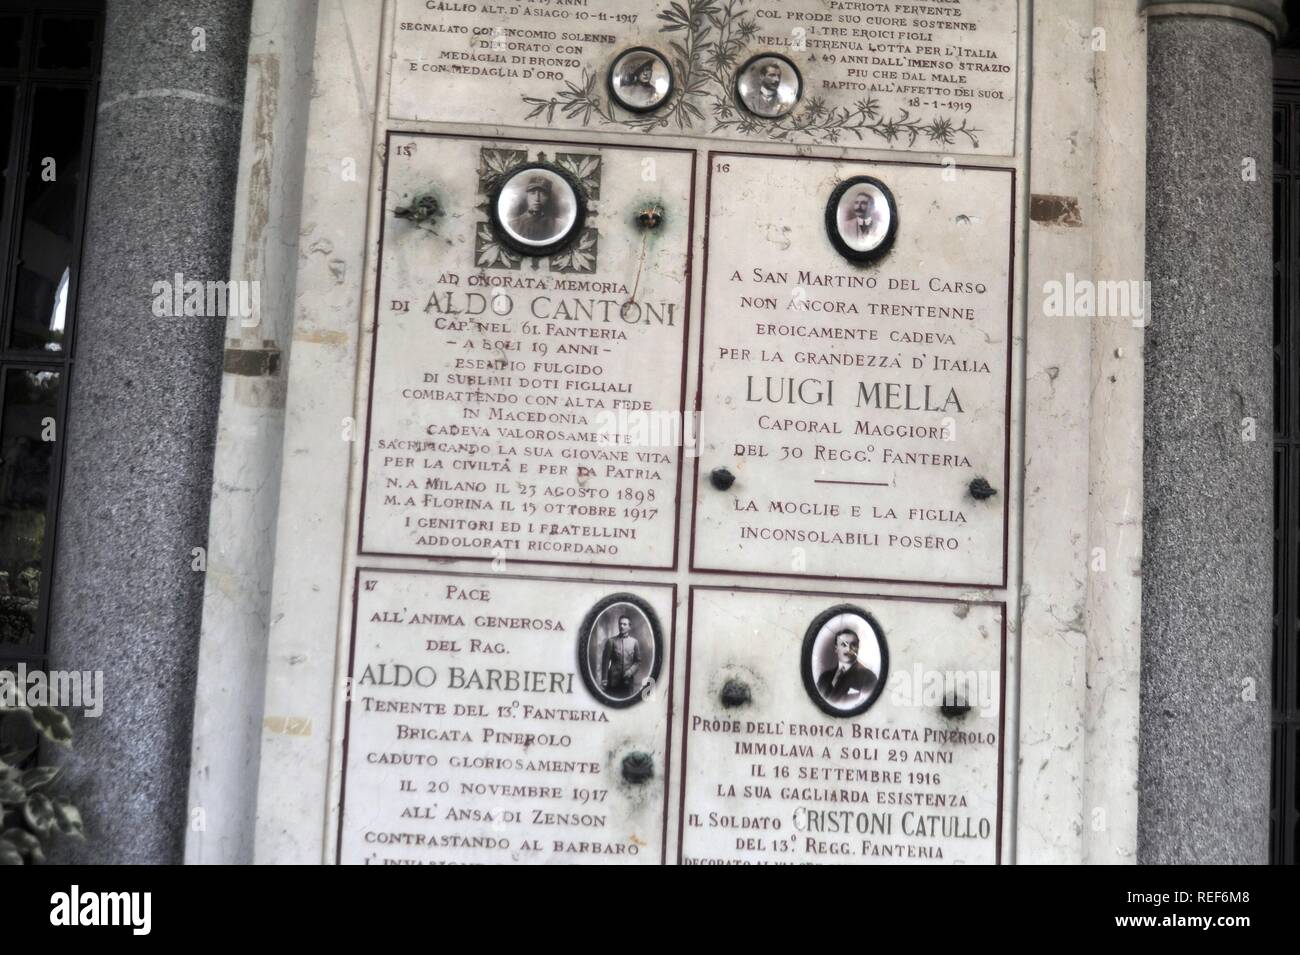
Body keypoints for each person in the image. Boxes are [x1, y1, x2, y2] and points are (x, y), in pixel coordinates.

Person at [815, 628, 877, 705]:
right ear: (836, 648)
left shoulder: (869, 677)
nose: (849, 649)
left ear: (858, 648)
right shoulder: (824, 677)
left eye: (853, 645)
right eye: (844, 644)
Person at [506, 174, 558, 243]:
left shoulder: (558, 225)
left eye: (543, 194)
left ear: (548, 197)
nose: (537, 199)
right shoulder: (512, 225)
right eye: (532, 193)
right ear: (527, 196)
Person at [600, 614, 642, 697]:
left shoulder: (634, 642)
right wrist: (604, 679)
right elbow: (605, 661)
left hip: (628, 682)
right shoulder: (611, 641)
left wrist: (630, 672)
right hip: (613, 681)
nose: (621, 626)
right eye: (620, 624)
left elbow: (637, 662)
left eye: (624, 624)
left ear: (629, 627)